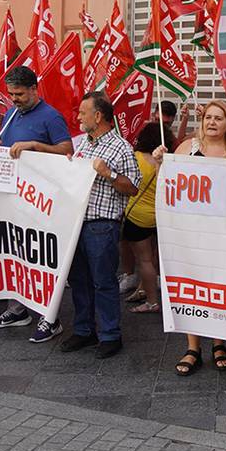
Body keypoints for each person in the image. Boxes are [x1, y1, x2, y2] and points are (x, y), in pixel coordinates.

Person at [154, 99, 226, 375]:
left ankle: (219, 343)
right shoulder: (187, 148)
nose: (211, 122)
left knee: (219, 286)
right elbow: (170, 183)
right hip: (191, 233)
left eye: (218, 118)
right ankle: (193, 346)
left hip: (224, 233)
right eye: (208, 117)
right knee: (193, 285)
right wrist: (163, 161)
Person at [0, 66, 74, 339]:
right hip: (14, 198)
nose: (14, 99)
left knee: (42, 259)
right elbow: (6, 145)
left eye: (20, 94)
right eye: (11, 94)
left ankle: (50, 316)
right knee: (15, 255)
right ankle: (18, 307)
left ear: (34, 89)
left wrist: (35, 145)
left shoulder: (51, 117)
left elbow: (67, 150)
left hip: (42, 201)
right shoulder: (10, 114)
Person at [59, 92, 139, 359]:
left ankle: (110, 335)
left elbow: (132, 188)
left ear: (98, 116)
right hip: (76, 223)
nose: (78, 117)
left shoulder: (121, 147)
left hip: (102, 225)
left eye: (83, 113)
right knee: (78, 280)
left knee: (103, 282)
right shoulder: (84, 145)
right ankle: (84, 330)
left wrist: (109, 174)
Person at [123, 123, 173, 314]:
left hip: (137, 217)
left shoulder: (135, 158)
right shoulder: (167, 161)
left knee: (144, 261)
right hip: (159, 215)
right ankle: (144, 288)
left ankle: (152, 301)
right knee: (153, 257)